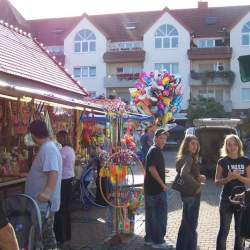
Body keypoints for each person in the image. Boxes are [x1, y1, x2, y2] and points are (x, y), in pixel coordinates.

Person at [25, 120, 62, 249]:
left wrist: (47, 192)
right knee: (44, 237)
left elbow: (53, 171)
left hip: (43, 205)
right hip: (41, 203)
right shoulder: (48, 147)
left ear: (34, 134)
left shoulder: (48, 148)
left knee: (46, 237)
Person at [215, 134, 250, 250]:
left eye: (234, 144)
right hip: (226, 199)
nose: (232, 147)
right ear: (226, 146)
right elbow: (216, 182)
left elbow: (249, 181)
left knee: (240, 231)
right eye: (229, 145)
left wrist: (238, 177)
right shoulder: (222, 161)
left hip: (242, 200)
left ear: (239, 145)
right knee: (224, 230)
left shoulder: (246, 161)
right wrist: (228, 179)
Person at [144, 128, 173, 249]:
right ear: (155, 138)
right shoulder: (155, 150)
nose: (163, 141)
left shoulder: (154, 150)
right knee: (159, 216)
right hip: (156, 190)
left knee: (151, 216)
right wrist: (163, 185)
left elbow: (151, 168)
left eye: (165, 138)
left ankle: (150, 239)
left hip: (150, 189)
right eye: (161, 138)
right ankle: (158, 241)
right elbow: (151, 169)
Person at [175, 135, 206, 250]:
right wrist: (197, 184)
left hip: (187, 194)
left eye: (196, 144)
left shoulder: (184, 157)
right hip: (192, 194)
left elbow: (187, 174)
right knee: (191, 226)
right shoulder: (188, 158)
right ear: (186, 144)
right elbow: (184, 174)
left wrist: (198, 176)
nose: (195, 146)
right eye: (192, 143)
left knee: (186, 225)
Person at [54, 130, 75, 246]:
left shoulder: (63, 151)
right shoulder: (70, 150)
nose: (57, 139)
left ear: (62, 138)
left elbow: (57, 164)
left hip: (64, 182)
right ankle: (66, 235)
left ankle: (61, 237)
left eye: (58, 137)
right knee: (66, 209)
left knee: (61, 209)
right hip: (70, 180)